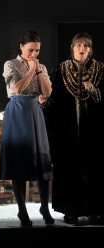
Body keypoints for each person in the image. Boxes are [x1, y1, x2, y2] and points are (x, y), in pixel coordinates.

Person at [45, 33, 104, 224]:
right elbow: (52, 99)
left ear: (90, 49)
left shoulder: (100, 69)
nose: (82, 49)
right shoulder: (61, 70)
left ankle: (97, 209)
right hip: (67, 131)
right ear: (72, 47)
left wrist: (93, 90)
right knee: (70, 168)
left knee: (94, 168)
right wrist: (45, 102)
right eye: (79, 45)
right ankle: (71, 209)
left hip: (94, 130)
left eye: (86, 46)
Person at [0, 31, 54, 226]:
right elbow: (17, 89)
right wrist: (30, 70)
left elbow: (47, 92)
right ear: (21, 47)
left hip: (35, 112)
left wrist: (38, 71)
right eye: (31, 50)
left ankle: (45, 208)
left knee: (41, 160)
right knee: (19, 160)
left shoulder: (41, 66)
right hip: (17, 111)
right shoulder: (10, 64)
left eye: (37, 50)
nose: (34, 54)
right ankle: (22, 210)